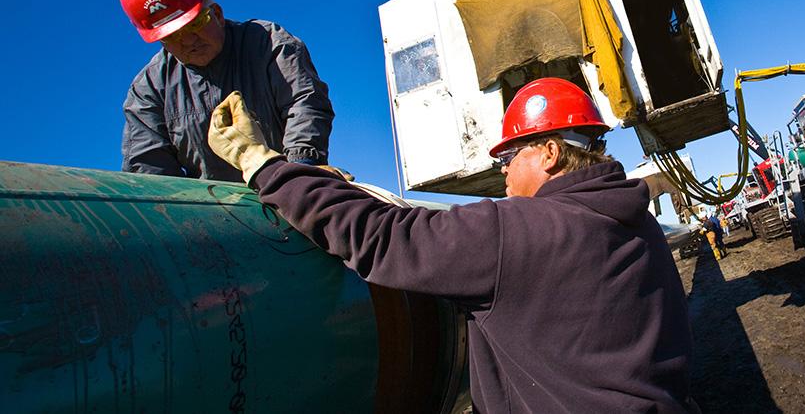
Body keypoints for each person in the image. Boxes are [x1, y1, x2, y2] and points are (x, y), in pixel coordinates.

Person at [207, 77, 698, 413]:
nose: (500, 169)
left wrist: (261, 162)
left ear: (549, 153)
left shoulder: (516, 230)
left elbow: (383, 238)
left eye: (508, 155)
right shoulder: (635, 220)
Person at [120, 0, 334, 181]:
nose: (188, 40)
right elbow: (148, 163)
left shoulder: (267, 42)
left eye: (194, 24)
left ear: (217, 13)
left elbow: (304, 101)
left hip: (284, 183)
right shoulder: (149, 87)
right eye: (172, 36)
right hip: (208, 208)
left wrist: (301, 171)